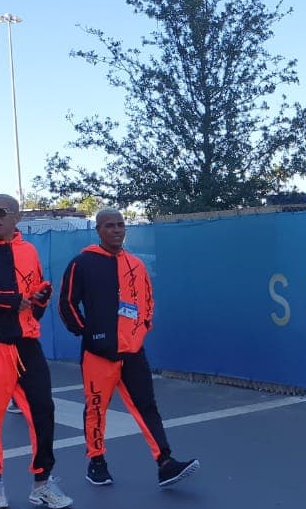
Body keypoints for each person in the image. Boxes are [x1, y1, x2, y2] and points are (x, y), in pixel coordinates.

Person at [59, 207, 201, 488]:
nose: (116, 230)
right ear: (98, 230)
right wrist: (88, 333)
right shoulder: (82, 263)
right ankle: (96, 461)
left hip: (133, 351)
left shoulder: (136, 265)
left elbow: (147, 302)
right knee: (96, 407)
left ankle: (165, 463)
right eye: (109, 226)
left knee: (147, 406)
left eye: (120, 225)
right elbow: (67, 304)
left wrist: (141, 330)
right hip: (98, 353)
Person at [0, 194, 72, 509]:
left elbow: (33, 302)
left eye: (2, 212)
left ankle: (42, 482)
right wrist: (8, 300)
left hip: (26, 342)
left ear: (17, 218)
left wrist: (41, 298)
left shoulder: (29, 250)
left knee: (43, 409)